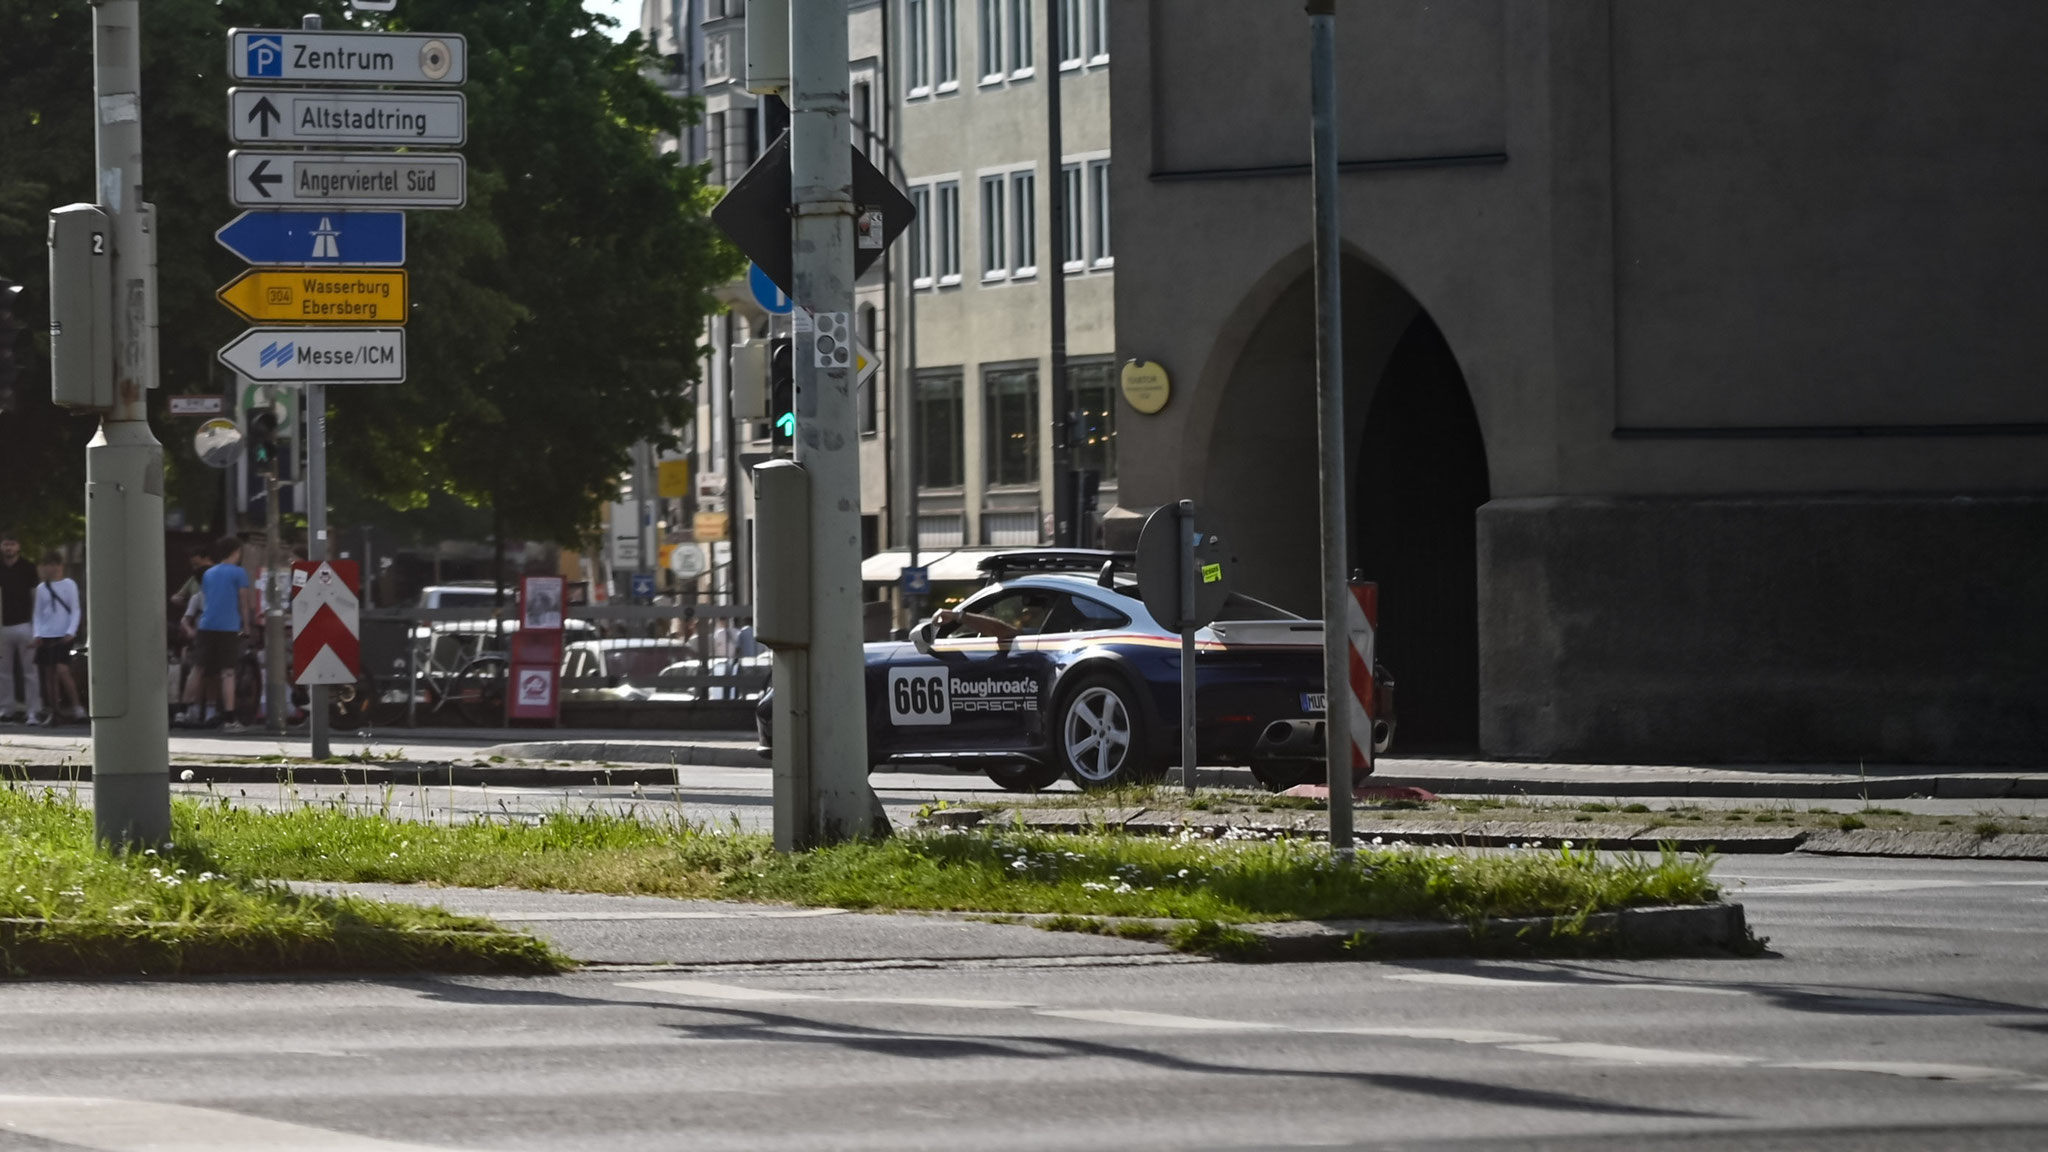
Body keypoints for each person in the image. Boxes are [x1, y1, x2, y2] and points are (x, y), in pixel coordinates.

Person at [181, 536, 255, 733]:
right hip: (228, 626)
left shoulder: (209, 573)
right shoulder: (239, 573)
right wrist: (246, 627)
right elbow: (243, 603)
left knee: (197, 668)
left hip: (206, 625)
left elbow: (207, 598)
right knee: (228, 672)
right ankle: (230, 720)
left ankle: (185, 711)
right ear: (235, 552)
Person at [29, 551, 84, 726]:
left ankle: (77, 708)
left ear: (60, 566)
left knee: (62, 669)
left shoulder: (69, 585)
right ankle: (55, 710)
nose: (51, 568)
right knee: (49, 674)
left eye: (54, 564)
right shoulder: (41, 588)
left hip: (64, 634)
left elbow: (75, 609)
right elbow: (37, 614)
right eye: (48, 564)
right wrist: (37, 634)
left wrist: (71, 630)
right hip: (46, 633)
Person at [0, 532, 41, 723]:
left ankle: (32, 711)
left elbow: (34, 596)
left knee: (30, 672)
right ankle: (7, 709)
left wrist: (35, 625)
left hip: (25, 625)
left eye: (12, 544)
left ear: (18, 547)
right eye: (6, 544)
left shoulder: (28, 567)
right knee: (3, 672)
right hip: (2, 626)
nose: (9, 548)